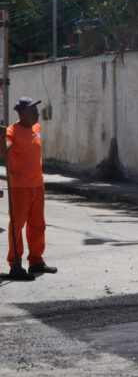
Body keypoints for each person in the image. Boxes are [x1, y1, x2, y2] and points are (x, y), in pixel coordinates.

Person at [3, 97, 56, 281]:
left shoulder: (37, 129)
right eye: (33, 111)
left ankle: (36, 261)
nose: (37, 114)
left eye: (37, 110)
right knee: (17, 226)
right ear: (23, 114)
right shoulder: (11, 131)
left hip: (37, 185)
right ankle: (15, 265)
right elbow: (5, 149)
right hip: (19, 187)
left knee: (38, 225)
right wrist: (4, 143)